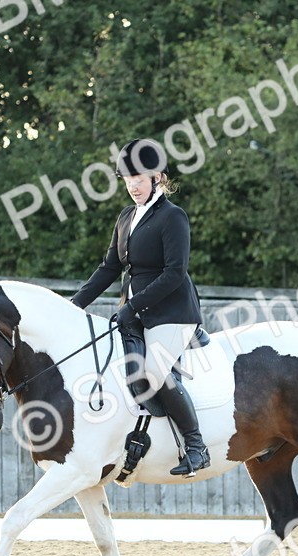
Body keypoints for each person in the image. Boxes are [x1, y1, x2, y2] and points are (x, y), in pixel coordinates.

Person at [71, 138, 211, 476]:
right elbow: (109, 268)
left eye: (139, 178)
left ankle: (196, 447)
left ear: (158, 177)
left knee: (154, 371)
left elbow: (174, 273)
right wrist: (73, 307)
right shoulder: (126, 217)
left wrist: (132, 306)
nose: (132, 185)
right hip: (135, 314)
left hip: (171, 314)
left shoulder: (173, 217)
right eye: (127, 179)